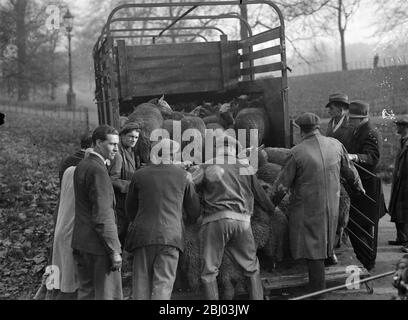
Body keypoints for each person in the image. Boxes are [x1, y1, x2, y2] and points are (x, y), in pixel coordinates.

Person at [270, 113, 364, 294]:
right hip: (332, 205)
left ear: (300, 130)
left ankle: (318, 294)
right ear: (317, 127)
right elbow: (350, 172)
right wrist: (359, 188)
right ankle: (330, 257)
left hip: (309, 209)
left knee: (314, 252)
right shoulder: (336, 145)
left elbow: (281, 187)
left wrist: (269, 206)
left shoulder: (297, 152)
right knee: (327, 237)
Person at [196, 134, 275, 300]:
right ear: (234, 149)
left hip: (214, 221)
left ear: (217, 149)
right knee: (251, 267)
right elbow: (260, 195)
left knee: (209, 270)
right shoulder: (245, 166)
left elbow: (189, 185)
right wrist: (272, 210)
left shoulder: (207, 165)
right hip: (242, 222)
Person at [125, 138, 200, 300]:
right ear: (174, 156)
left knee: (141, 284)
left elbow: (129, 209)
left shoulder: (139, 175)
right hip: (171, 236)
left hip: (142, 236)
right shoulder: (184, 176)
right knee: (163, 285)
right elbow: (194, 210)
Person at [71, 125, 123, 300]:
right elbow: (103, 214)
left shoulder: (82, 165)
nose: (116, 149)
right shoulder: (97, 170)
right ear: (98, 143)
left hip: (81, 242)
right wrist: (114, 250)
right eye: (112, 144)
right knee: (106, 295)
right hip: (99, 247)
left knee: (86, 293)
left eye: (117, 145)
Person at [347, 101, 386, 270]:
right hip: (360, 187)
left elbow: (372, 158)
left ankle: (368, 263)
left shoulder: (370, 132)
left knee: (364, 227)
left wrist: (353, 157)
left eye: (352, 119)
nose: (350, 121)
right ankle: (366, 261)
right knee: (358, 226)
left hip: (367, 189)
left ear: (361, 118)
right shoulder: (359, 130)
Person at [325, 93, 352, 265]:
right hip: (331, 166)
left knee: (344, 203)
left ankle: (342, 234)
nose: (329, 111)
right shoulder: (331, 123)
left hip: (344, 166)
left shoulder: (349, 125)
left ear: (341, 109)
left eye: (332, 108)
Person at [108, 122, 140, 247]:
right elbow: (112, 179)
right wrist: (131, 185)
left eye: (136, 137)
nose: (133, 140)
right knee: (119, 232)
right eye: (130, 136)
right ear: (122, 136)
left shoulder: (131, 152)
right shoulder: (119, 155)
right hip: (119, 201)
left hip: (127, 200)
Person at [388, 115, 408, 253]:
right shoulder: (403, 141)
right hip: (400, 181)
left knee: (405, 211)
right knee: (398, 209)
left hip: (406, 182)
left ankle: (406, 241)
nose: (397, 127)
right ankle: (401, 238)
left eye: (400, 125)